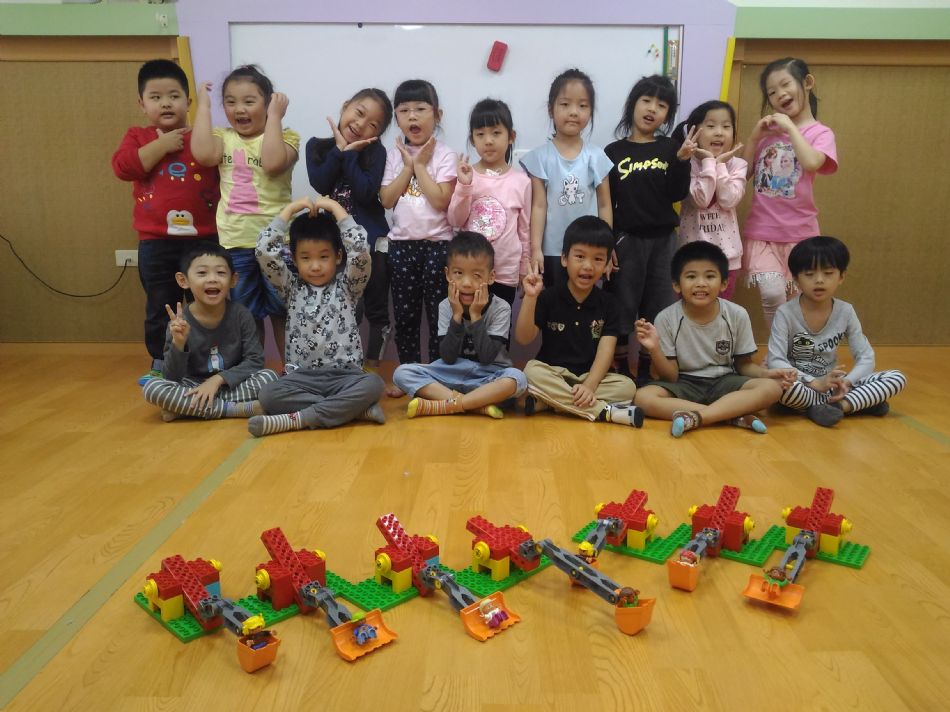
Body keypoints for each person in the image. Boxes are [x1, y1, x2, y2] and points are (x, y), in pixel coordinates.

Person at [111, 59, 220, 382]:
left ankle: (206, 362)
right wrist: (161, 145)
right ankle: (161, 362)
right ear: (142, 104)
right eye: (156, 97)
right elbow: (123, 168)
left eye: (174, 96)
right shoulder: (138, 136)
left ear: (188, 101)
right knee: (161, 305)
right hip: (156, 242)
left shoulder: (202, 137)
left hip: (204, 240)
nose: (166, 103)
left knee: (207, 304)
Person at [248, 196, 384, 437]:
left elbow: (361, 252)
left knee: (374, 384)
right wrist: (290, 210)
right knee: (268, 394)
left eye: (323, 257)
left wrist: (335, 208)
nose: (315, 266)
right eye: (306, 258)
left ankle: (300, 418)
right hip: (301, 379)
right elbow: (264, 252)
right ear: (294, 259)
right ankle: (351, 410)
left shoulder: (348, 287)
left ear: (338, 256)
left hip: (346, 377)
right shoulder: (290, 288)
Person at [191, 64, 300, 358]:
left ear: (268, 103)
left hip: (277, 242)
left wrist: (275, 118)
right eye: (230, 101)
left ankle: (291, 370)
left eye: (249, 101)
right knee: (245, 313)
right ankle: (253, 370)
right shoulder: (223, 137)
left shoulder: (287, 137)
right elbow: (203, 154)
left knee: (282, 310)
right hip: (235, 242)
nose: (239, 109)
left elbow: (273, 163)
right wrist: (203, 107)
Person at [633, 241, 794, 437]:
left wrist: (765, 374)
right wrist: (655, 349)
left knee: (772, 388)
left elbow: (744, 365)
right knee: (642, 398)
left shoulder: (737, 314)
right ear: (676, 284)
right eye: (691, 276)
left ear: (724, 283)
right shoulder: (666, 318)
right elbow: (671, 377)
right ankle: (730, 414)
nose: (701, 283)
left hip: (725, 381)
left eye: (710, 276)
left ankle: (700, 416)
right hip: (684, 384)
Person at [605, 75, 696, 383]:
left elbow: (677, 194)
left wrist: (682, 161)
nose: (652, 109)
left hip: (663, 241)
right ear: (633, 105)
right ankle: (619, 365)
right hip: (626, 240)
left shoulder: (670, 148)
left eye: (661, 105)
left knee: (657, 305)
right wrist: (609, 243)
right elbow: (606, 203)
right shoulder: (613, 152)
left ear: (667, 115)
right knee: (622, 303)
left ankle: (646, 366)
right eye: (646, 100)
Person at [515, 216, 641, 426]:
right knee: (531, 371)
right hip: (553, 374)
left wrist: (590, 385)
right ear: (565, 259)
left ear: (607, 264)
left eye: (598, 259)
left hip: (590, 377)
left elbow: (606, 351)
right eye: (580, 256)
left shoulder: (609, 304)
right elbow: (523, 338)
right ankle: (602, 412)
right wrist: (530, 297)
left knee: (627, 387)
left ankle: (550, 402)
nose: (588, 266)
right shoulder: (548, 297)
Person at [768, 236, 907, 426]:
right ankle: (858, 403)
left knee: (896, 378)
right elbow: (776, 360)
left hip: (835, 385)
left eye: (828, 273)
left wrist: (846, 383)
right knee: (777, 385)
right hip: (804, 385)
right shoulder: (785, 313)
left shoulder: (846, 311)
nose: (819, 280)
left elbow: (866, 357)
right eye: (809, 274)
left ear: (841, 277)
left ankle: (839, 406)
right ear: (796, 280)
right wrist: (815, 383)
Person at [742, 57, 837, 330]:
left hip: (800, 234)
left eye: (785, 85)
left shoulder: (821, 133)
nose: (780, 94)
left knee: (798, 301)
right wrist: (754, 138)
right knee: (772, 293)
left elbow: (812, 162)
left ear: (807, 83)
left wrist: (791, 128)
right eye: (772, 92)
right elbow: (743, 174)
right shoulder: (768, 136)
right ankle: (779, 348)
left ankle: (794, 350)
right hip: (762, 233)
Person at [305, 88, 394, 372]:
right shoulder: (317, 147)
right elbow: (321, 183)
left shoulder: (376, 153)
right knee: (342, 308)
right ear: (346, 106)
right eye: (359, 113)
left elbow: (366, 192)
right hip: (336, 248)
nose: (361, 124)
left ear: (377, 134)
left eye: (373, 124)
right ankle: (344, 367)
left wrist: (351, 154)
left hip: (372, 245)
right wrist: (339, 150)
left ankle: (373, 367)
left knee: (376, 309)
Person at [392, 231, 527, 419]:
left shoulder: (501, 307)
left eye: (477, 275)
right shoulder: (445, 306)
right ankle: (476, 405)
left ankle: (447, 404)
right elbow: (447, 357)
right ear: (447, 274)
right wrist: (456, 316)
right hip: (450, 374)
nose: (466, 283)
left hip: (487, 376)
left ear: (491, 277)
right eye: (458, 273)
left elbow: (487, 357)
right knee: (402, 373)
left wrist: (476, 315)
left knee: (518, 378)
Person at [142, 244, 277, 420]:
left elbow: (255, 361)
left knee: (269, 377)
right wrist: (179, 344)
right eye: (202, 273)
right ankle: (234, 409)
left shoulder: (241, 315)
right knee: (152, 387)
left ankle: (188, 408)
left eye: (220, 273)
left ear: (233, 280)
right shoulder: (179, 323)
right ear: (183, 280)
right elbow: (171, 377)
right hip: (192, 385)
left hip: (229, 383)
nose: (212, 279)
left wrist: (217, 380)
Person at [379, 79, 457, 369]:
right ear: (396, 118)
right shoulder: (393, 155)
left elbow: (440, 200)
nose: (412, 116)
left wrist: (421, 166)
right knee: (405, 316)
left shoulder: (445, 154)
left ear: (437, 115)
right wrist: (408, 166)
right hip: (401, 246)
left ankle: (437, 373)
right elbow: (387, 199)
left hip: (438, 246)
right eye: (404, 110)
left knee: (439, 317)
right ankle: (409, 373)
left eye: (421, 109)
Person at [520, 69, 612, 287]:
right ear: (551, 109)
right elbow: (538, 206)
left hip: (590, 250)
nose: (573, 112)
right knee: (554, 302)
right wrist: (535, 249)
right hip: (552, 250)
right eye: (565, 104)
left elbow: (605, 204)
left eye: (583, 106)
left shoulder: (596, 157)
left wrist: (607, 248)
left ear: (591, 111)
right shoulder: (540, 157)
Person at [447, 99, 531, 308]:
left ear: (511, 137)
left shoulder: (522, 181)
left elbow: (525, 231)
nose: (488, 141)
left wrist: (524, 269)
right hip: (468, 273)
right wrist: (465, 186)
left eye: (496, 133)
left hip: (504, 271)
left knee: (500, 326)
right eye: (480, 134)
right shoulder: (467, 175)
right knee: (466, 325)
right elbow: (455, 220)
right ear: (472, 139)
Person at [672, 100, 746, 301]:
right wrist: (708, 162)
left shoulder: (738, 165)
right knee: (689, 311)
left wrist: (720, 165)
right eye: (711, 126)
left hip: (727, 257)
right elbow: (701, 200)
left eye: (726, 126)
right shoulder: (686, 164)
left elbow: (728, 200)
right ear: (694, 131)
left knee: (720, 311)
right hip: (690, 255)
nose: (719, 132)